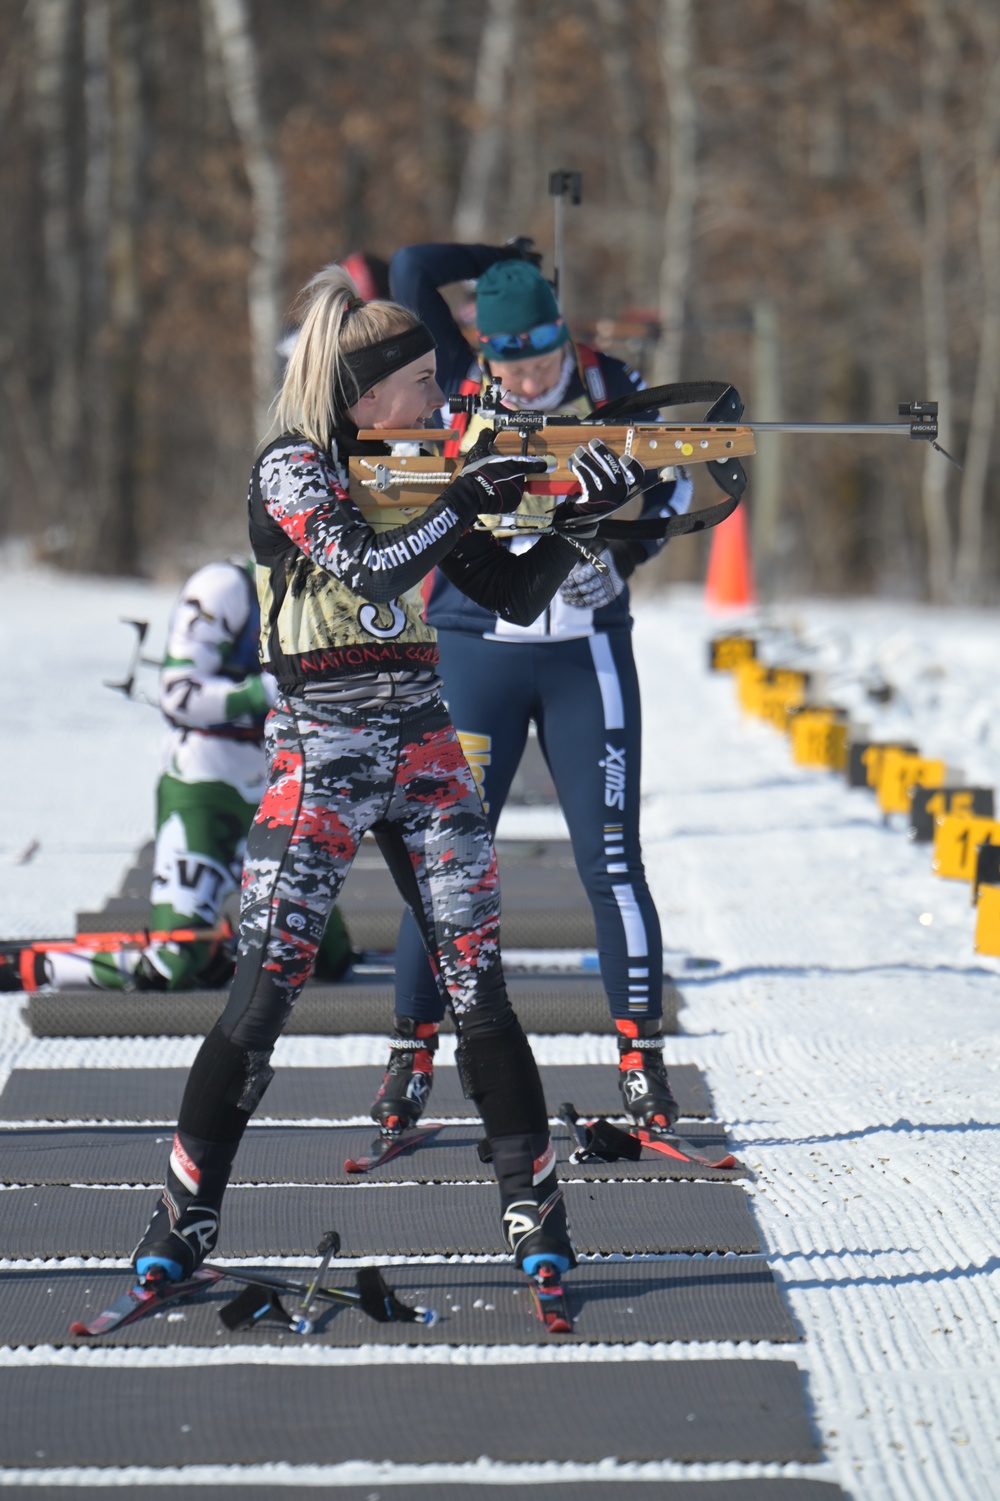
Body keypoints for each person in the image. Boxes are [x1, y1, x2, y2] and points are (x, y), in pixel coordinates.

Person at [131, 265, 636, 1291]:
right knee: (261, 993)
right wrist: (461, 497)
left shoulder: (416, 465)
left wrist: (588, 519)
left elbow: (505, 589)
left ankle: (532, 1206)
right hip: (320, 759)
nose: (443, 404)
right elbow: (367, 565)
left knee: (479, 989)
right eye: (423, 386)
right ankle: (184, 1214)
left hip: (425, 750)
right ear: (367, 396)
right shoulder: (290, 468)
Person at [370, 242, 694, 1139]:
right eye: (514, 361)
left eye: (545, 356)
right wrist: (501, 256)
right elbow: (407, 271)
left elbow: (681, 488)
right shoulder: (460, 383)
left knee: (612, 857)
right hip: (478, 650)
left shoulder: (612, 381)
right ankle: (411, 1052)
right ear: (490, 350)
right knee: (445, 864)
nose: (532, 375)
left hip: (584, 652)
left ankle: (642, 1057)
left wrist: (623, 550)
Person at [0, 559, 352, 994]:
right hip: (206, 793)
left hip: (280, 794)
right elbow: (179, 695)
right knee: (172, 963)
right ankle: (34, 966)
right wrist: (263, 691)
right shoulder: (224, 587)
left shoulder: (332, 590)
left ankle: (221, 948)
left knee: (332, 960)